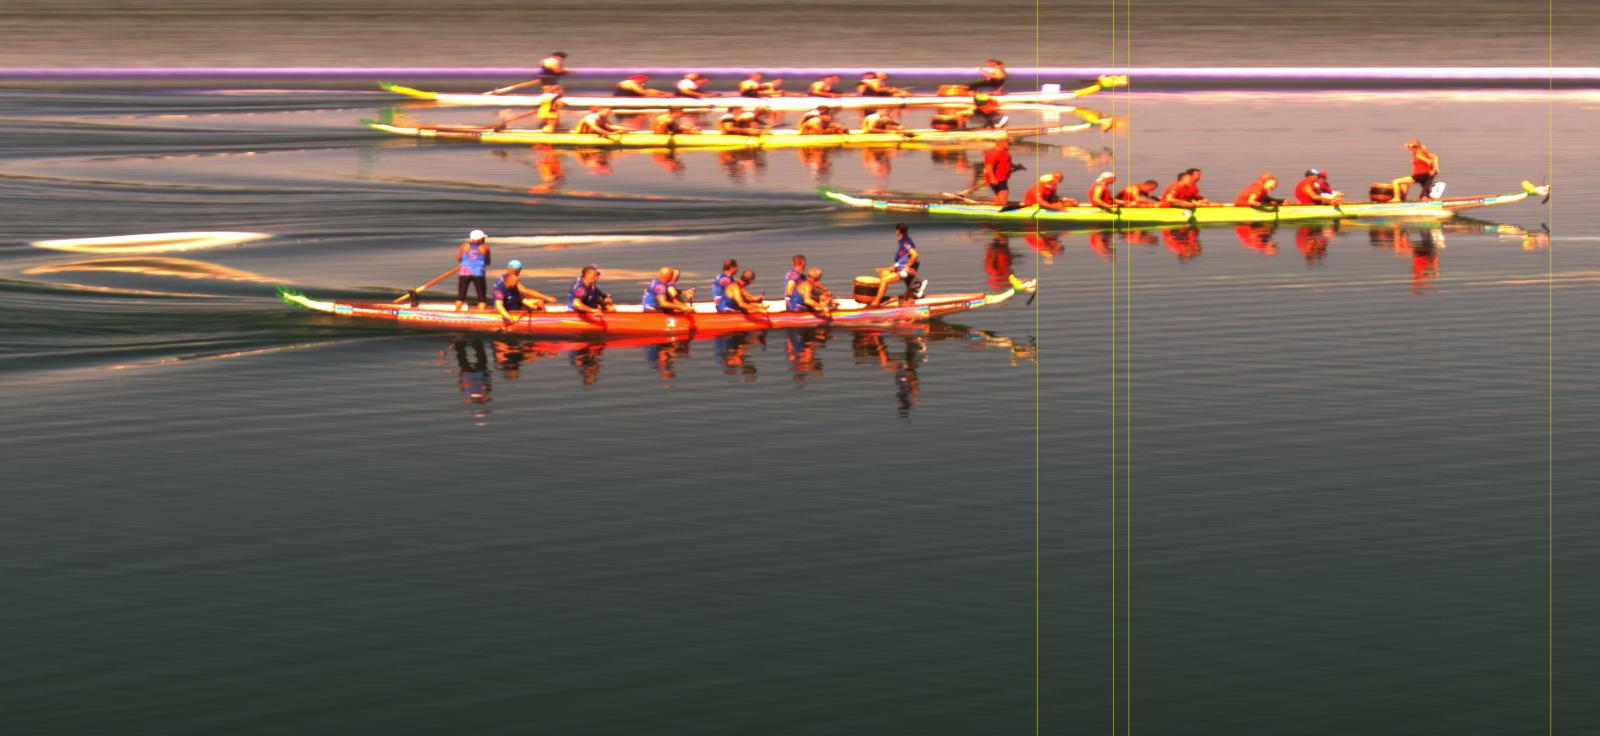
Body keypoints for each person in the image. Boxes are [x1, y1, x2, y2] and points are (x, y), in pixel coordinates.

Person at [870, 223, 923, 305]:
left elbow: (915, 255)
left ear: (898, 231)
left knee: (884, 280)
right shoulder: (903, 241)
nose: (896, 232)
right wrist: (895, 266)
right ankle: (881, 297)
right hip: (900, 268)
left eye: (896, 230)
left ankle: (876, 302)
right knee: (884, 273)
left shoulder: (906, 243)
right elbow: (904, 258)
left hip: (906, 271)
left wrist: (907, 266)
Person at [493, 260, 558, 325]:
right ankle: (545, 321)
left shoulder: (512, 279)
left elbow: (524, 294)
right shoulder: (499, 289)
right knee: (533, 305)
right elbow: (499, 306)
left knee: (539, 302)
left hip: (516, 303)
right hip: (508, 309)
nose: (516, 285)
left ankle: (544, 320)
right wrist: (509, 318)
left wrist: (532, 305)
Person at [454, 229, 491, 311]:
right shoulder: (485, 247)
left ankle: (457, 312)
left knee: (461, 295)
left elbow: (459, 258)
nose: (484, 240)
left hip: (464, 273)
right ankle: (481, 313)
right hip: (478, 274)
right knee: (481, 297)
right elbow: (488, 262)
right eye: (483, 238)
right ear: (480, 239)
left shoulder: (464, 246)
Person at [983, 138, 1018, 206]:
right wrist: (992, 178)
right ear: (1000, 143)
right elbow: (989, 166)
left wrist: (1015, 166)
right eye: (1008, 143)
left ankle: (997, 206)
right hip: (997, 178)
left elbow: (1005, 162)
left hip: (1002, 178)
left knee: (999, 193)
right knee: (1003, 194)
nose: (1010, 145)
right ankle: (1001, 207)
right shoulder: (993, 152)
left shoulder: (1004, 151)